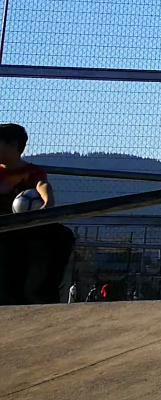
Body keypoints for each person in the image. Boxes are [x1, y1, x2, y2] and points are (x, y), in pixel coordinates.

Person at [0, 122, 74, 304]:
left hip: (25, 229)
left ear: (13, 145)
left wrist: (48, 200)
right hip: (4, 229)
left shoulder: (31, 171)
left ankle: (47, 290)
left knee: (63, 236)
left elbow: (41, 184)